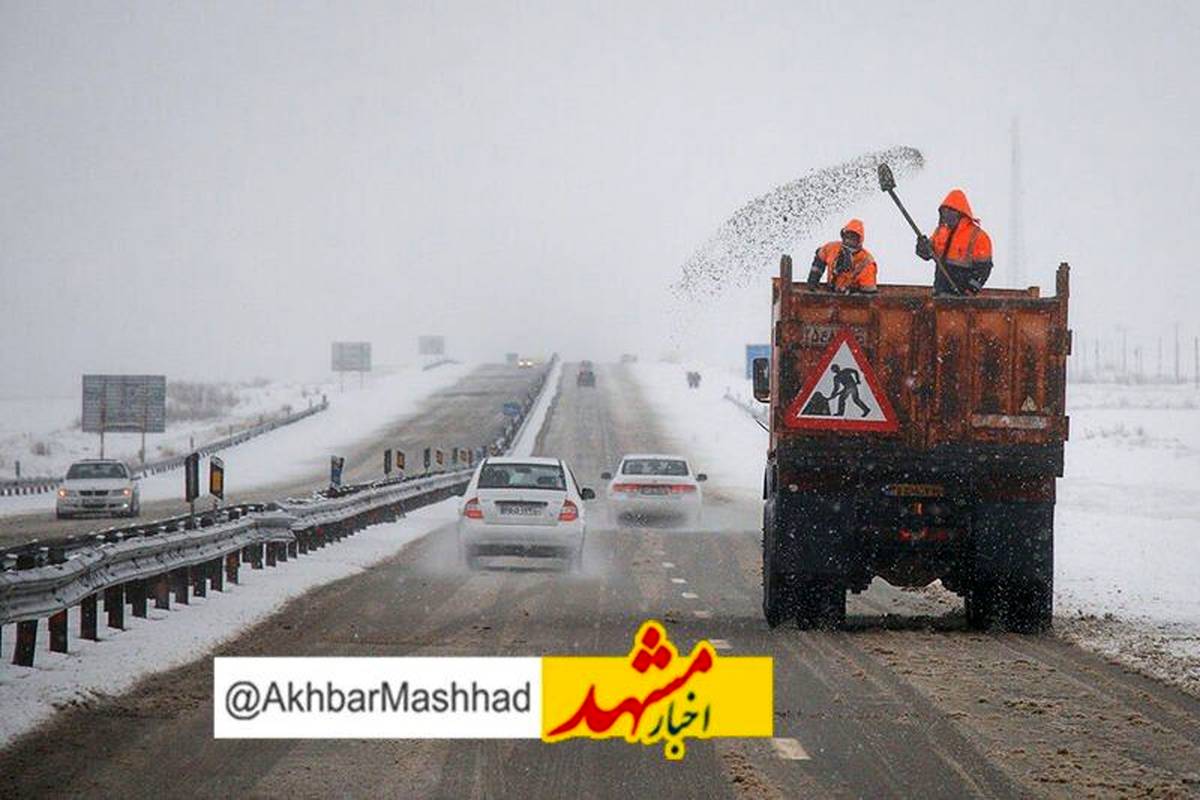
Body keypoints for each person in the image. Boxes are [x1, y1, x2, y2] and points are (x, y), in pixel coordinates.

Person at [915, 189, 994, 295]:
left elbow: (983, 270)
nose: (946, 216)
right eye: (944, 212)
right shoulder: (940, 231)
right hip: (940, 294)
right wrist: (923, 247)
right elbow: (929, 254)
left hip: (962, 299)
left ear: (961, 214)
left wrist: (970, 291)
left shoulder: (978, 236)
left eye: (950, 212)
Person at [807, 219, 878, 294]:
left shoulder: (866, 262)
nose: (848, 240)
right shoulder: (832, 248)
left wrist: (851, 293)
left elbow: (868, 294)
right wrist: (813, 278)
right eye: (847, 236)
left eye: (853, 238)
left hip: (851, 302)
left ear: (859, 240)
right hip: (831, 293)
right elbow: (820, 257)